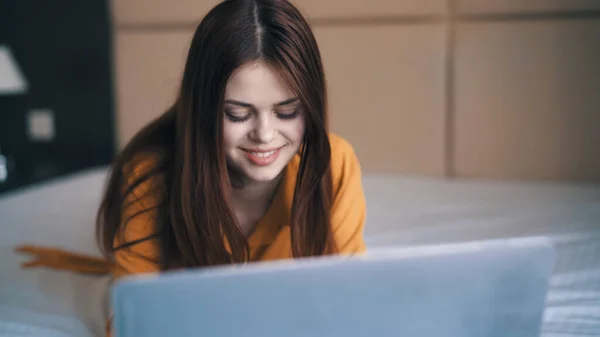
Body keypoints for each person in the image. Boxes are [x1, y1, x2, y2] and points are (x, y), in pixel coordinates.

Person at [17, 0, 367, 335]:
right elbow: (133, 324)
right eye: (237, 114)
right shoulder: (152, 176)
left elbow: (356, 305)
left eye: (287, 112)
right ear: (203, 108)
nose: (265, 135)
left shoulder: (334, 165)